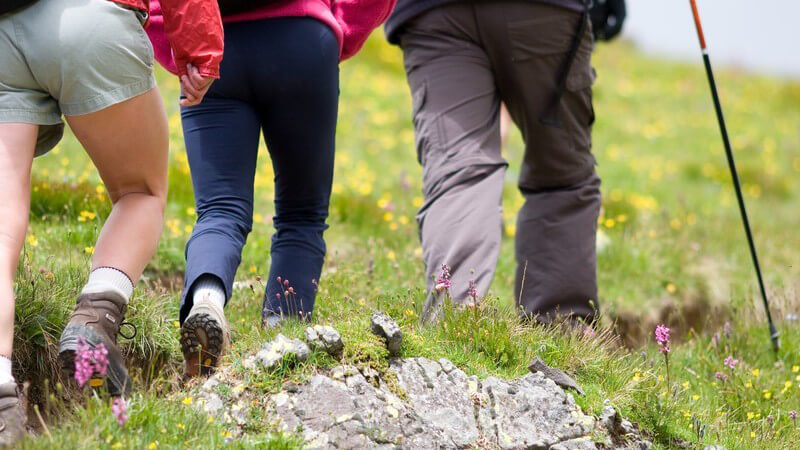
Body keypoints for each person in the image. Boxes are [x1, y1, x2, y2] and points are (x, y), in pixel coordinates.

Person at [0, 0, 222, 445]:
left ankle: (2, 393)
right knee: (141, 192)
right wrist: (201, 51)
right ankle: (95, 316)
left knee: (3, 228)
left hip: (4, 34)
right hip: (91, 20)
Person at [147, 0, 396, 377]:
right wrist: (336, 31)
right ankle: (282, 335)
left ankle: (207, 300)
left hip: (214, 49)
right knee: (301, 215)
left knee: (219, 211)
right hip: (302, 37)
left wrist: (185, 52)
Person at [385, 0, 623, 325]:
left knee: (459, 173)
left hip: (433, 14)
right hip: (544, 12)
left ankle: (453, 323)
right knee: (561, 175)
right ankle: (560, 324)